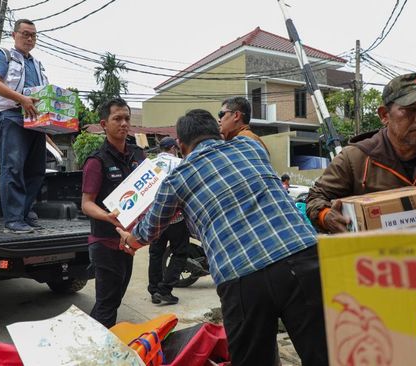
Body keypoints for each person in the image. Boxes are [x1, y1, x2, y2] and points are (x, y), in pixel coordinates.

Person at [116, 109, 326, 366]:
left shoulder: (176, 179)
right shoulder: (251, 147)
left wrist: (129, 239)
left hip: (241, 277)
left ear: (181, 145)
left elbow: (149, 230)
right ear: (219, 133)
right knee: (326, 354)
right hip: (302, 256)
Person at [307, 72, 416, 233]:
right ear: (384, 115)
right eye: (410, 109)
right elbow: (316, 197)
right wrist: (325, 216)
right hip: (374, 262)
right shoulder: (354, 159)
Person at [81, 98, 145, 328]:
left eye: (127, 118)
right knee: (108, 305)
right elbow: (86, 203)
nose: (124, 123)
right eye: (117, 119)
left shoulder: (139, 156)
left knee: (112, 300)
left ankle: (85, 337)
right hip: (105, 242)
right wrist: (107, 216)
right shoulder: (96, 161)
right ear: (104, 124)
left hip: (129, 241)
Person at [0, 19, 49, 234]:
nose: (29, 38)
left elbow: (44, 94)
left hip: (36, 121)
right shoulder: (3, 55)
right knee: (13, 168)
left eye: (33, 35)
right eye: (25, 34)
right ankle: (13, 220)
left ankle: (24, 215)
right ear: (14, 35)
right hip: (11, 116)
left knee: (36, 170)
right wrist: (21, 99)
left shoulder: (38, 64)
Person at [147, 137, 189, 305]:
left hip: (155, 218)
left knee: (155, 254)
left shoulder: (150, 164)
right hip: (176, 218)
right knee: (180, 253)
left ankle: (154, 290)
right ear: (173, 148)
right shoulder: (180, 163)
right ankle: (165, 290)